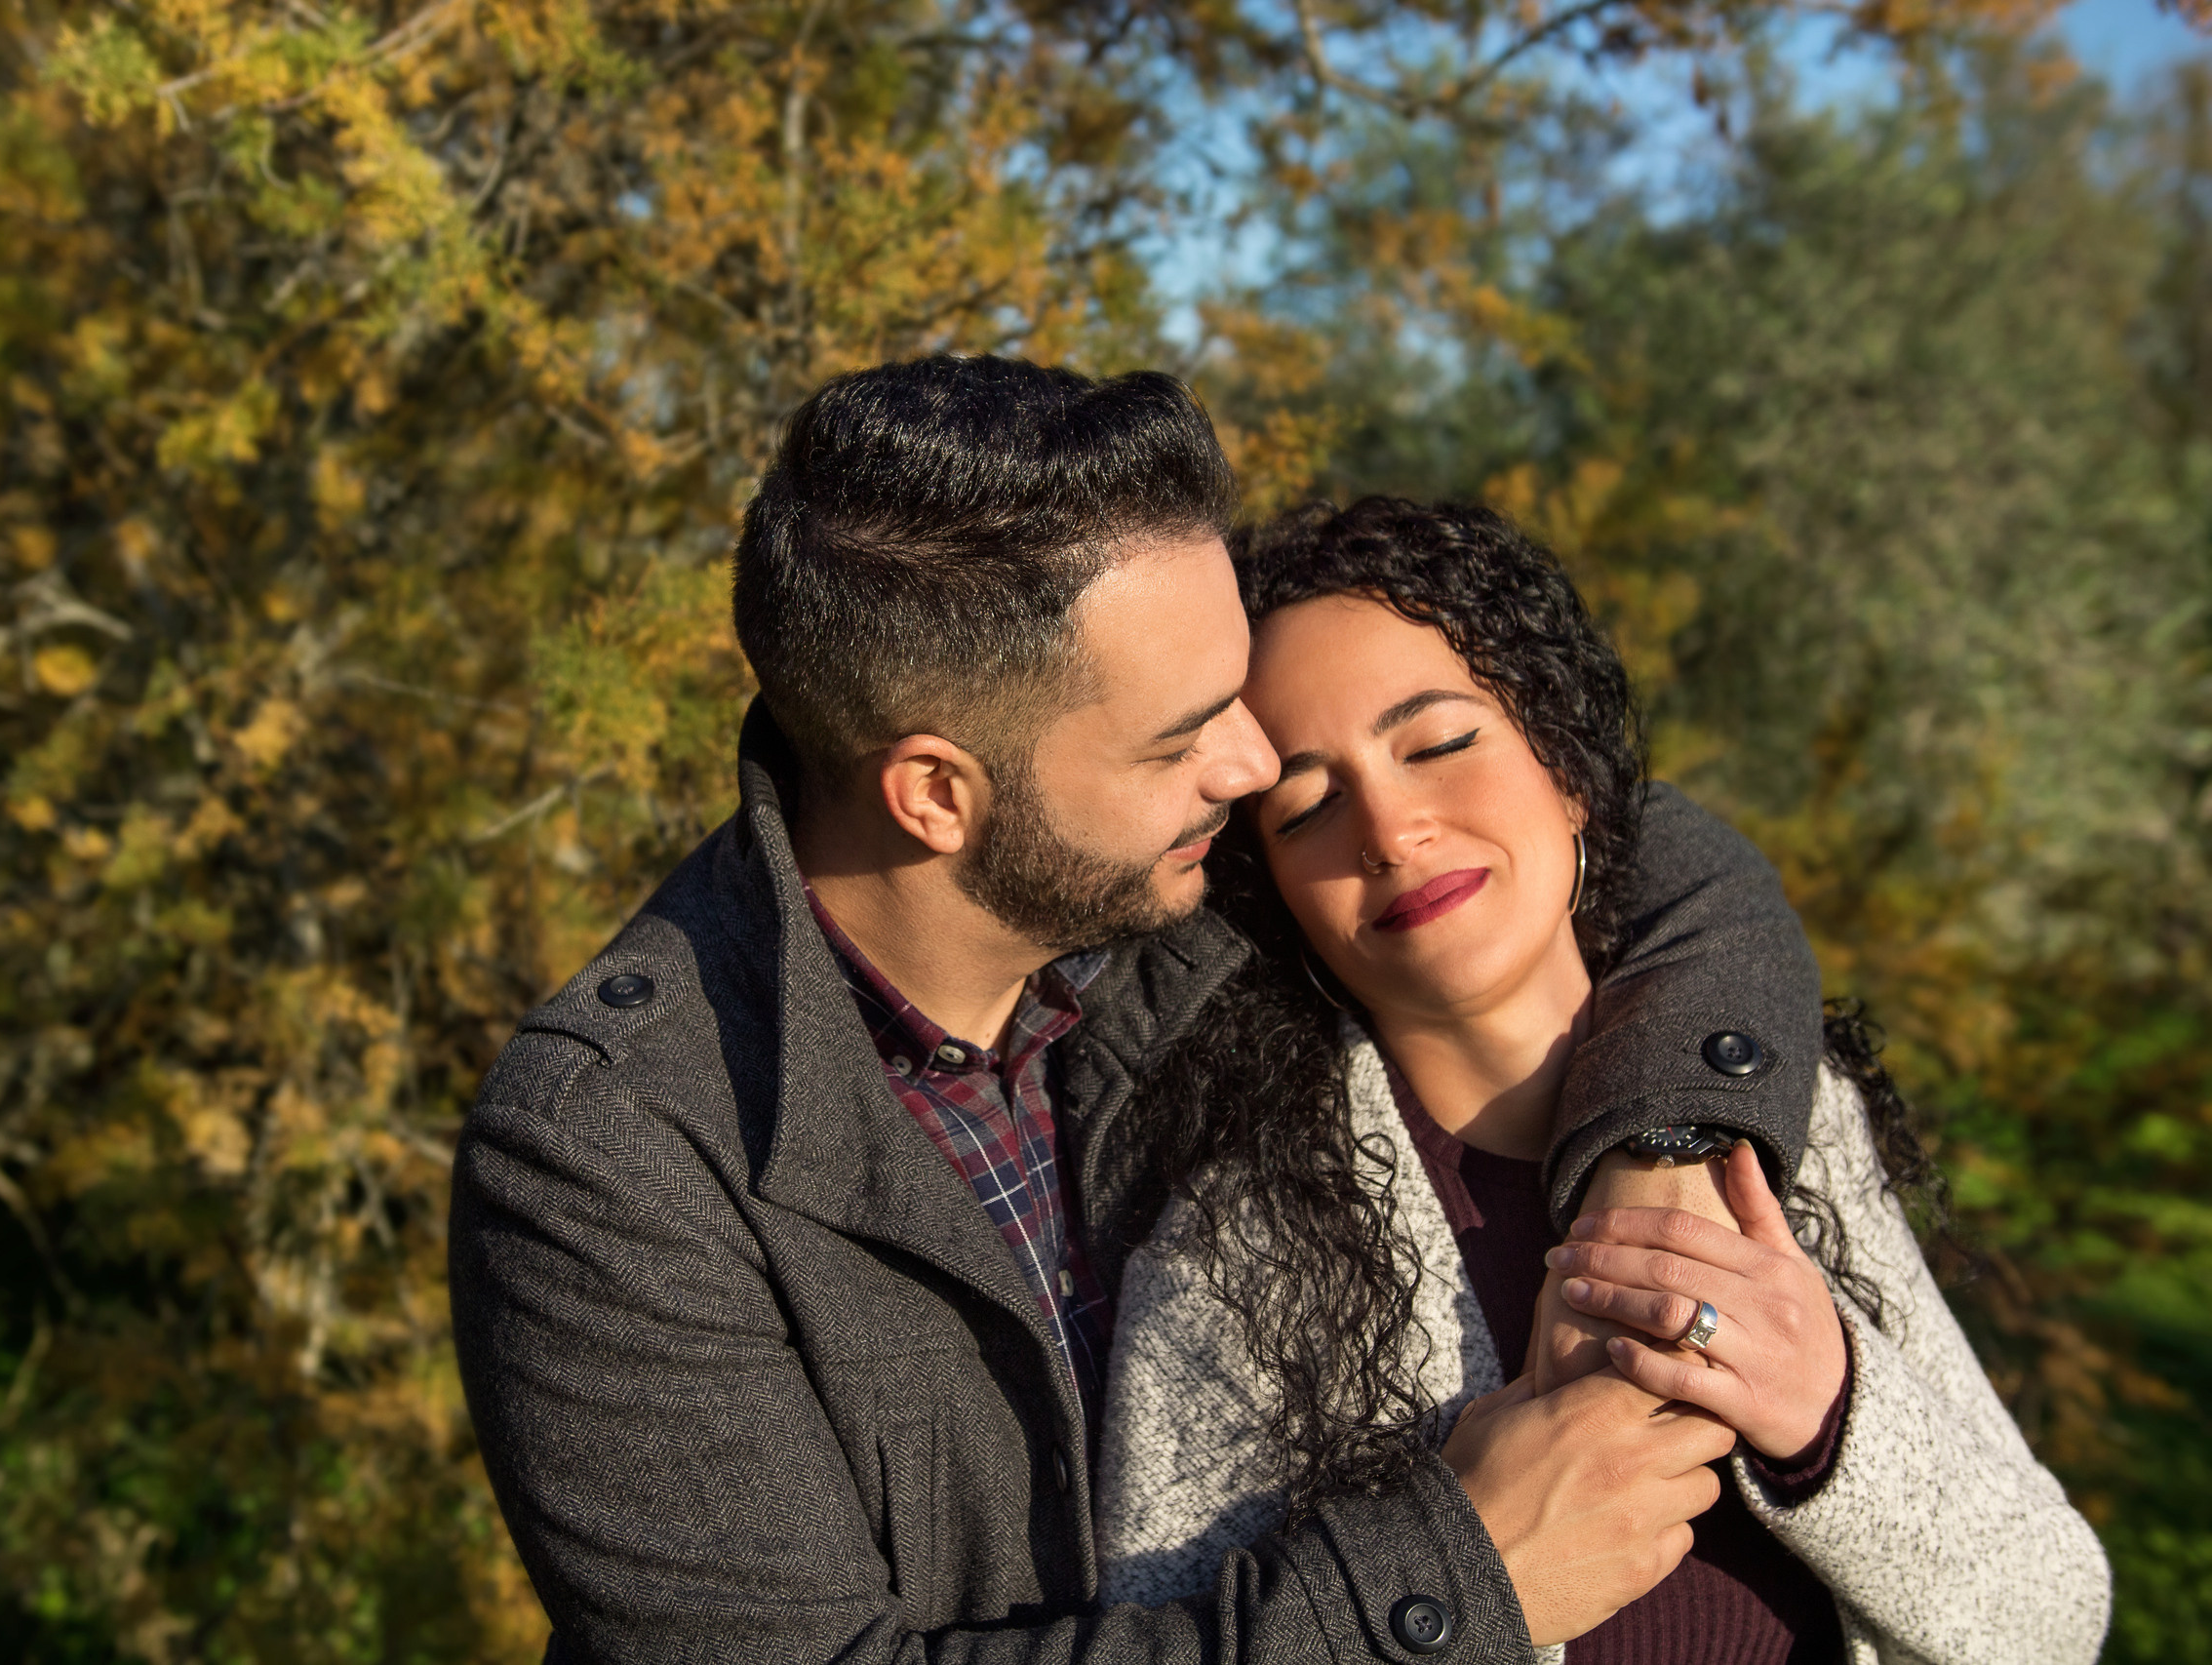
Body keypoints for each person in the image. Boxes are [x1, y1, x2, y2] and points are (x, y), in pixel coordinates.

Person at [449, 357, 1831, 1663]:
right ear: (935, 793)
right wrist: (1450, 1576)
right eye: (1183, 735)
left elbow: (1638, 845)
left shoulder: (1171, 876)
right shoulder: (611, 1156)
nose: (1251, 762)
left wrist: (1669, 1151)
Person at [1093, 496, 2112, 1661]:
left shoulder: (1795, 1123)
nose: (1389, 827)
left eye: (1437, 743)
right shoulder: (1228, 1257)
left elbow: (2055, 1618)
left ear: (1567, 771)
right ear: (1271, 891)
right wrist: (1457, 1564)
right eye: (1309, 805)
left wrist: (1829, 1420)